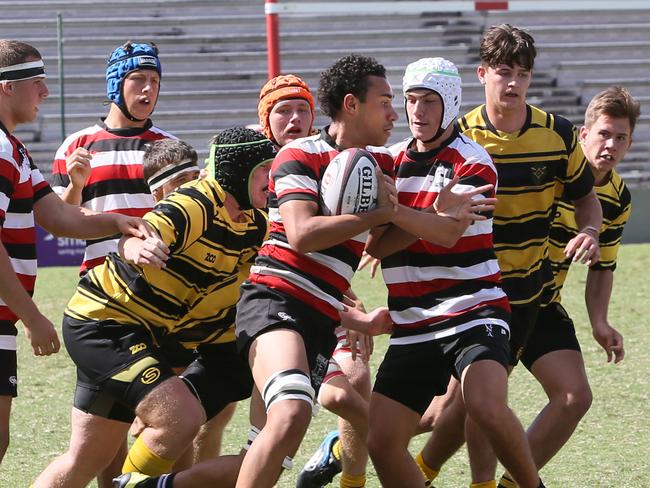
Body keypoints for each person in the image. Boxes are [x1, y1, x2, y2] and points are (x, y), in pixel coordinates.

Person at [414, 25, 603, 488]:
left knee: (573, 395)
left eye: (522, 73)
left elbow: (586, 197)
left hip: (535, 289)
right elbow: (425, 201)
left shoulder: (556, 133)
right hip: (480, 292)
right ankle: (440, 471)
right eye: (503, 72)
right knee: (471, 402)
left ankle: (492, 481)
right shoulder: (460, 137)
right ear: (482, 74)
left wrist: (591, 230)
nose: (513, 83)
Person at [33, 127, 275, 487]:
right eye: (262, 170)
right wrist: (134, 248)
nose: (270, 180)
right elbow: (139, 235)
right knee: (181, 416)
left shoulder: (255, 223)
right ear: (238, 171)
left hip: (142, 332)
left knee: (85, 459)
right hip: (104, 323)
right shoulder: (195, 203)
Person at [363, 57, 543, 488]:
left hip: (474, 309)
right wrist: (422, 214)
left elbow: (446, 234)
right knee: (382, 440)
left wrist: (399, 212)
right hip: (413, 321)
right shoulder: (388, 162)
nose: (417, 112)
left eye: (429, 101)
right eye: (410, 101)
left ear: (451, 103)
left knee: (484, 404)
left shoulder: (473, 162)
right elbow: (377, 245)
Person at [232, 54, 400, 488]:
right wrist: (376, 213)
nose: (393, 112)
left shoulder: (383, 165)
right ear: (352, 104)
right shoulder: (300, 154)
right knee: (290, 411)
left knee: (286, 431)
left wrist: (432, 217)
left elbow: (379, 243)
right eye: (384, 101)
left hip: (322, 316)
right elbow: (302, 233)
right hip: (274, 300)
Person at [0, 39, 151, 465]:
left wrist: (117, 221)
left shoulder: (15, 149)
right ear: (7, 87)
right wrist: (32, 317)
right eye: (36, 82)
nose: (45, 92)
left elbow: (59, 217)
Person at [496, 85, 638, 488]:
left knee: (574, 396)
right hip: (499, 300)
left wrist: (600, 321)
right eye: (604, 134)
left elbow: (603, 267)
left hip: (543, 304)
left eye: (621, 137)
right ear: (582, 134)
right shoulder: (552, 169)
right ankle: (359, 443)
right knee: (449, 412)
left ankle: (513, 483)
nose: (611, 145)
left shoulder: (618, 197)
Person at [257, 73, 376, 488]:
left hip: (314, 303)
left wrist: (348, 299)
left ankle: (348, 474)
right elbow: (296, 241)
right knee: (264, 419)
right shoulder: (251, 161)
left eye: (302, 110)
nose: (293, 118)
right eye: (282, 110)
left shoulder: (339, 163)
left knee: (355, 380)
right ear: (264, 120)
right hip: (259, 301)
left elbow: (324, 247)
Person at [51, 41, 174, 274]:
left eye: (154, 80)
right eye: (138, 78)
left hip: (161, 282)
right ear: (115, 83)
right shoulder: (75, 146)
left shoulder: (171, 147)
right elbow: (60, 223)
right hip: (99, 283)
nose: (148, 87)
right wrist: (76, 186)